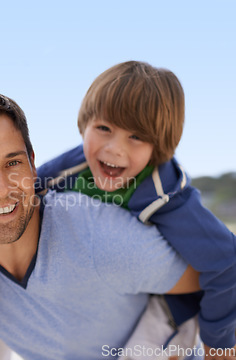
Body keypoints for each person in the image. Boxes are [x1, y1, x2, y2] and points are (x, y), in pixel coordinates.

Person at [0, 86, 202, 360]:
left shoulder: (99, 236)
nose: (0, 189)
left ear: (32, 164)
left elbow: (215, 279)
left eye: (12, 163)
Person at [35, 61, 236, 356]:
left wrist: (219, 345)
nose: (115, 148)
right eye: (103, 128)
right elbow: (25, 192)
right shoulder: (73, 165)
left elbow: (226, 260)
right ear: (85, 124)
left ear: (158, 146)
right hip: (104, 297)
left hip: (168, 313)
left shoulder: (166, 195)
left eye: (137, 137)